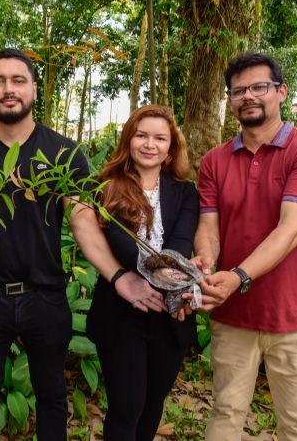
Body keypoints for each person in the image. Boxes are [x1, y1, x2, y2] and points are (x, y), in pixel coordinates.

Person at [0, 48, 165, 440]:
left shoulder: (64, 152)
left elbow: (83, 223)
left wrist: (118, 277)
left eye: (17, 80)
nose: (8, 90)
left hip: (44, 293)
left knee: (51, 396)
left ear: (34, 89)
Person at [192, 52, 297, 441]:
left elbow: (292, 231)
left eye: (259, 87)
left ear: (281, 92)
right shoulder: (214, 161)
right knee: (225, 412)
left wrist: (238, 276)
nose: (249, 96)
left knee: (296, 425)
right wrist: (205, 262)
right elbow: (209, 227)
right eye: (239, 91)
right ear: (230, 99)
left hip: (296, 315)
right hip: (233, 315)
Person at [85, 105, 199, 441]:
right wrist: (169, 272)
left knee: (152, 405)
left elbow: (179, 244)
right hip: (122, 312)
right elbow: (123, 246)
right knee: (127, 405)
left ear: (170, 149)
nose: (150, 144)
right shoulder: (103, 187)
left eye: (160, 138)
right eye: (142, 135)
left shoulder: (185, 192)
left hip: (170, 313)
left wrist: (184, 285)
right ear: (128, 140)